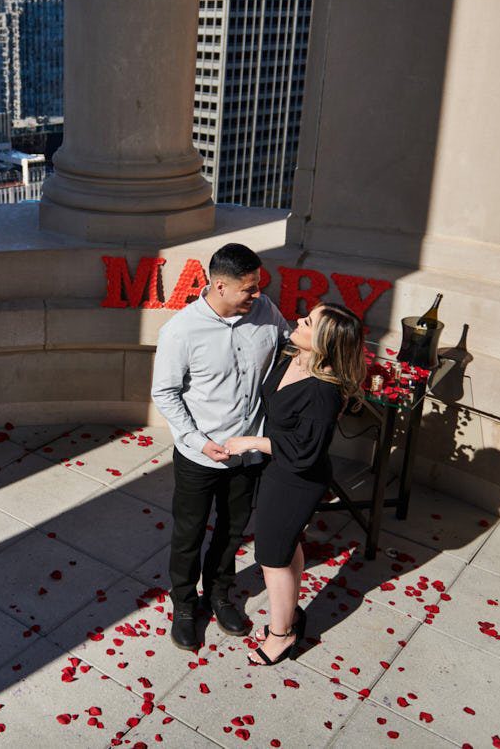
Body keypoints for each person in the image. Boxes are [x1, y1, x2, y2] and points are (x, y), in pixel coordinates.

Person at [151, 244, 291, 652]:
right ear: (219, 285)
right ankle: (183, 605)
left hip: (249, 452)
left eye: (259, 286)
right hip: (200, 456)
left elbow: (287, 349)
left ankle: (219, 593)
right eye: (248, 288)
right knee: (189, 533)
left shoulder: (265, 310)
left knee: (231, 531)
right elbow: (165, 393)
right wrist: (198, 441)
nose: (257, 295)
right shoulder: (181, 331)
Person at [225, 303, 367, 665]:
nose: (298, 321)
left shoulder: (323, 391)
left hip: (297, 481)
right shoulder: (293, 357)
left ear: (323, 341)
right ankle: (289, 616)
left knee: (272, 557)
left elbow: (306, 452)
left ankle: (281, 635)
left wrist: (252, 443)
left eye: (308, 322)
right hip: (278, 472)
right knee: (286, 548)